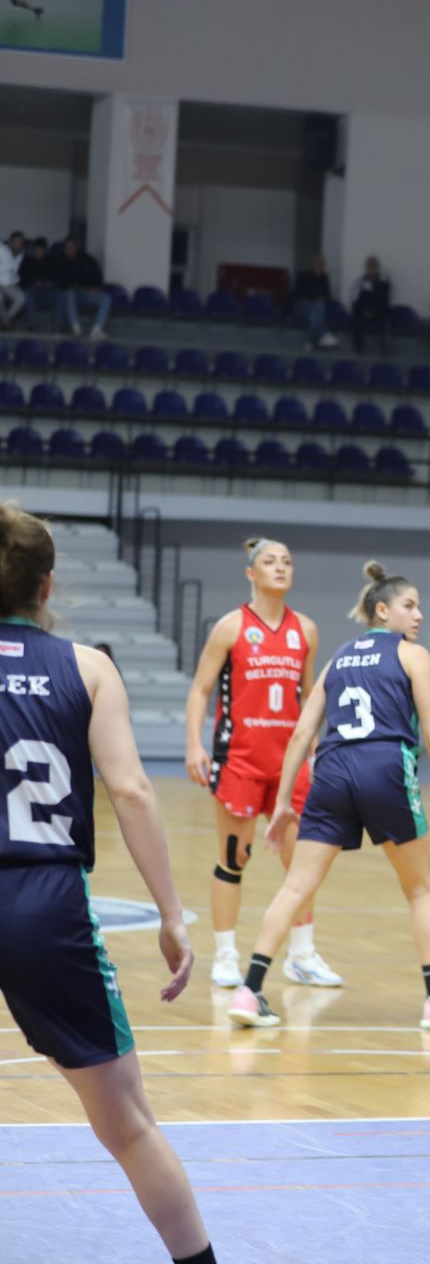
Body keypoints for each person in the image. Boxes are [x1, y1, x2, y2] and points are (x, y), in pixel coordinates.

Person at [0, 504, 215, 1264]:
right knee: (126, 1122)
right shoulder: (88, 666)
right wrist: (169, 914)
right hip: (44, 904)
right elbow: (131, 791)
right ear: (48, 583)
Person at [228, 562, 430, 1032]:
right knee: (419, 888)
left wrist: (283, 801)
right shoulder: (412, 654)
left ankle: (249, 988)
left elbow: (303, 731)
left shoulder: (339, 656)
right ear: (382, 611)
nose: (419, 614)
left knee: (296, 886)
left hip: (332, 770)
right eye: (410, 605)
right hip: (385, 763)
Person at [184, 539, 340, 992]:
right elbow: (200, 689)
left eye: (288, 562)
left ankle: (302, 955)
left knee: (302, 862)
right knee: (235, 858)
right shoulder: (230, 627)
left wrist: (314, 746)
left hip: (290, 765)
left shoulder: (305, 630)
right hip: (240, 761)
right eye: (270, 562)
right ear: (251, 574)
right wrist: (194, 744)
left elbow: (311, 695)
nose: (280, 568)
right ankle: (227, 955)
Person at [57, 237, 110, 340]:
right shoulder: (60, 261)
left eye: (72, 247)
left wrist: (94, 287)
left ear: (76, 247)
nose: (70, 249)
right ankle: (76, 327)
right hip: (68, 294)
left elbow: (96, 276)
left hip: (85, 292)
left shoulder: (86, 259)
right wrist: (71, 286)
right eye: (67, 247)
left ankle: (97, 329)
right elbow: (59, 282)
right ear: (64, 248)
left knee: (106, 298)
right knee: (69, 293)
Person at [348, 256, 392, 356]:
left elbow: (383, 300)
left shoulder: (384, 282)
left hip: (378, 312)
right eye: (369, 265)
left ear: (377, 267)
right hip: (363, 312)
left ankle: (384, 352)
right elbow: (355, 299)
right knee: (355, 317)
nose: (371, 267)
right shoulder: (360, 281)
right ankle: (358, 348)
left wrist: (373, 311)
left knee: (385, 320)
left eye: (373, 265)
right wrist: (363, 311)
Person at [292, 254, 337, 350]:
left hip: (316, 308)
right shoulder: (303, 276)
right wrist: (315, 296)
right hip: (302, 305)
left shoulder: (324, 278)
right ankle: (323, 335)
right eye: (318, 263)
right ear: (313, 264)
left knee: (315, 314)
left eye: (322, 264)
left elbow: (327, 295)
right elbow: (298, 293)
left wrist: (319, 298)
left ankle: (309, 342)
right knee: (317, 306)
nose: (320, 266)